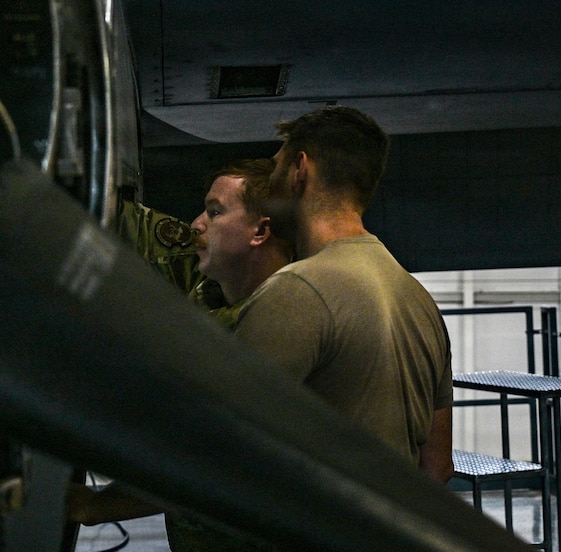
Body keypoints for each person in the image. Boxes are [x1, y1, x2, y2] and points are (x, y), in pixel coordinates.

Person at [67, 159, 292, 543]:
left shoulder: (285, 324)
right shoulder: (206, 294)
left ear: (260, 231)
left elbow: (222, 463)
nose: (197, 224)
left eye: (215, 212)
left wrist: (98, 506)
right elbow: (142, 232)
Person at [237, 105, 454, 483]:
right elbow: (438, 467)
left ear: (299, 170)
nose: (268, 184)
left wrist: (98, 507)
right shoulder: (418, 299)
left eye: (276, 167)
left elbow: (219, 438)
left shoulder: (297, 291)